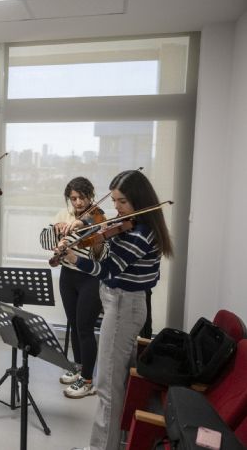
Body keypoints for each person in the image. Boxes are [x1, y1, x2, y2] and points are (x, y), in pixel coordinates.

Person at [64, 170, 173, 450]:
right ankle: (111, 443)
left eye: (122, 201)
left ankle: (102, 447)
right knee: (113, 381)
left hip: (125, 306)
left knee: (107, 385)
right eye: (113, 201)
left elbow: (109, 270)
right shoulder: (128, 227)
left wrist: (75, 258)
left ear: (139, 199)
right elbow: (107, 252)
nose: (116, 208)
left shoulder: (140, 234)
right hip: (118, 302)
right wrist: (96, 236)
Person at [39, 177, 106, 398]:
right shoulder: (64, 215)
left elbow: (102, 255)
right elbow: (45, 241)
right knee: (74, 325)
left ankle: (88, 381)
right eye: (74, 198)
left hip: (90, 278)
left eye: (82, 198)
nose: (78, 203)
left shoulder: (98, 216)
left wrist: (84, 224)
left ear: (90, 196)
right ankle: (78, 368)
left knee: (85, 328)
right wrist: (57, 232)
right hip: (68, 276)